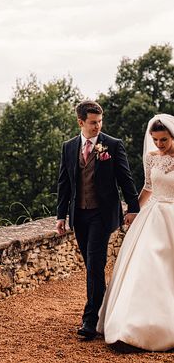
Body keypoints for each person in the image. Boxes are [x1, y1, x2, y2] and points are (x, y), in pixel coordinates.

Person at [56, 100, 140, 340]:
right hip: (79, 215)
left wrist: (133, 208)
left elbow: (126, 179)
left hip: (102, 215)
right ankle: (103, 312)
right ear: (80, 122)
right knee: (92, 266)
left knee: (94, 264)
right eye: (93, 123)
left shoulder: (112, 145)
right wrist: (61, 215)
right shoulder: (69, 147)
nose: (97, 126)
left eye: (100, 122)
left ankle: (90, 320)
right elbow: (64, 183)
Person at [97, 113, 174, 350]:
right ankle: (133, 325)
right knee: (145, 264)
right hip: (152, 216)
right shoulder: (152, 158)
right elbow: (148, 187)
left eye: (164, 140)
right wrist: (133, 209)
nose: (159, 145)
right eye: (156, 140)